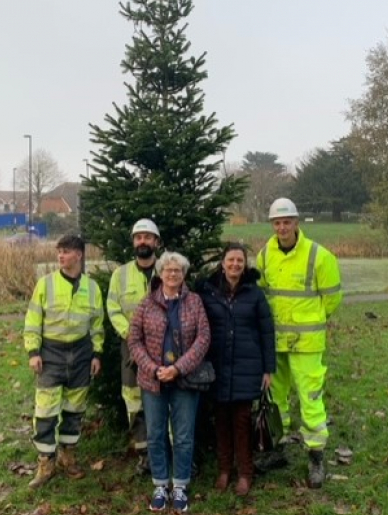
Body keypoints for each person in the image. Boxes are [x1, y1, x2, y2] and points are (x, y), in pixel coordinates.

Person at [256, 198, 342, 489]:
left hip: (307, 343)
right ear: (272, 225)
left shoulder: (319, 256)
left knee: (310, 398)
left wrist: (313, 320)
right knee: (275, 398)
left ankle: (316, 456)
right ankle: (277, 450)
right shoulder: (265, 255)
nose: (282, 227)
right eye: (277, 223)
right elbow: (261, 294)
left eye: (287, 222)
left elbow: (332, 299)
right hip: (276, 342)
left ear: (296, 222)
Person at [128, 251, 211, 512]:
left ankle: (180, 486)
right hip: (153, 381)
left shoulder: (194, 302)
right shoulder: (147, 303)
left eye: (177, 270)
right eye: (167, 270)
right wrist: (154, 369)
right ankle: (160, 484)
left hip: (184, 380)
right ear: (160, 273)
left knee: (184, 435)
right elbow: (134, 339)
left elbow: (203, 338)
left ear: (183, 274)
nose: (172, 274)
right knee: (155, 434)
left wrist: (178, 367)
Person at [23, 235, 104, 489]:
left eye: (66, 252)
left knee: (75, 408)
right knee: (45, 410)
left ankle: (67, 456)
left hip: (81, 354)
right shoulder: (45, 284)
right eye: (59, 251)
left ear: (79, 255)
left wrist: (97, 354)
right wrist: (33, 351)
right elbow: (33, 319)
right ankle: (46, 461)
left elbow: (97, 324)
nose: (61, 256)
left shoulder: (92, 288)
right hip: (51, 353)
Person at [196, 243, 275, 496]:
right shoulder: (207, 291)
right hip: (217, 367)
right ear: (222, 263)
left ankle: (245, 473)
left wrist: (268, 369)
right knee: (221, 421)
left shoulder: (255, 294)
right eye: (230, 260)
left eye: (239, 261)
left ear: (245, 264)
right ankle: (223, 469)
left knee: (242, 423)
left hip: (246, 366)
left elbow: (266, 331)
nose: (235, 265)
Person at [106, 219, 161, 473]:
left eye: (147, 237)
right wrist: (131, 335)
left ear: (156, 242)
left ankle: (164, 449)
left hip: (163, 345)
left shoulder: (167, 269)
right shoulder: (121, 274)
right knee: (133, 396)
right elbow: (113, 307)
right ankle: (144, 452)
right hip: (131, 345)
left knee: (163, 395)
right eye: (138, 237)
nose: (143, 241)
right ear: (133, 242)